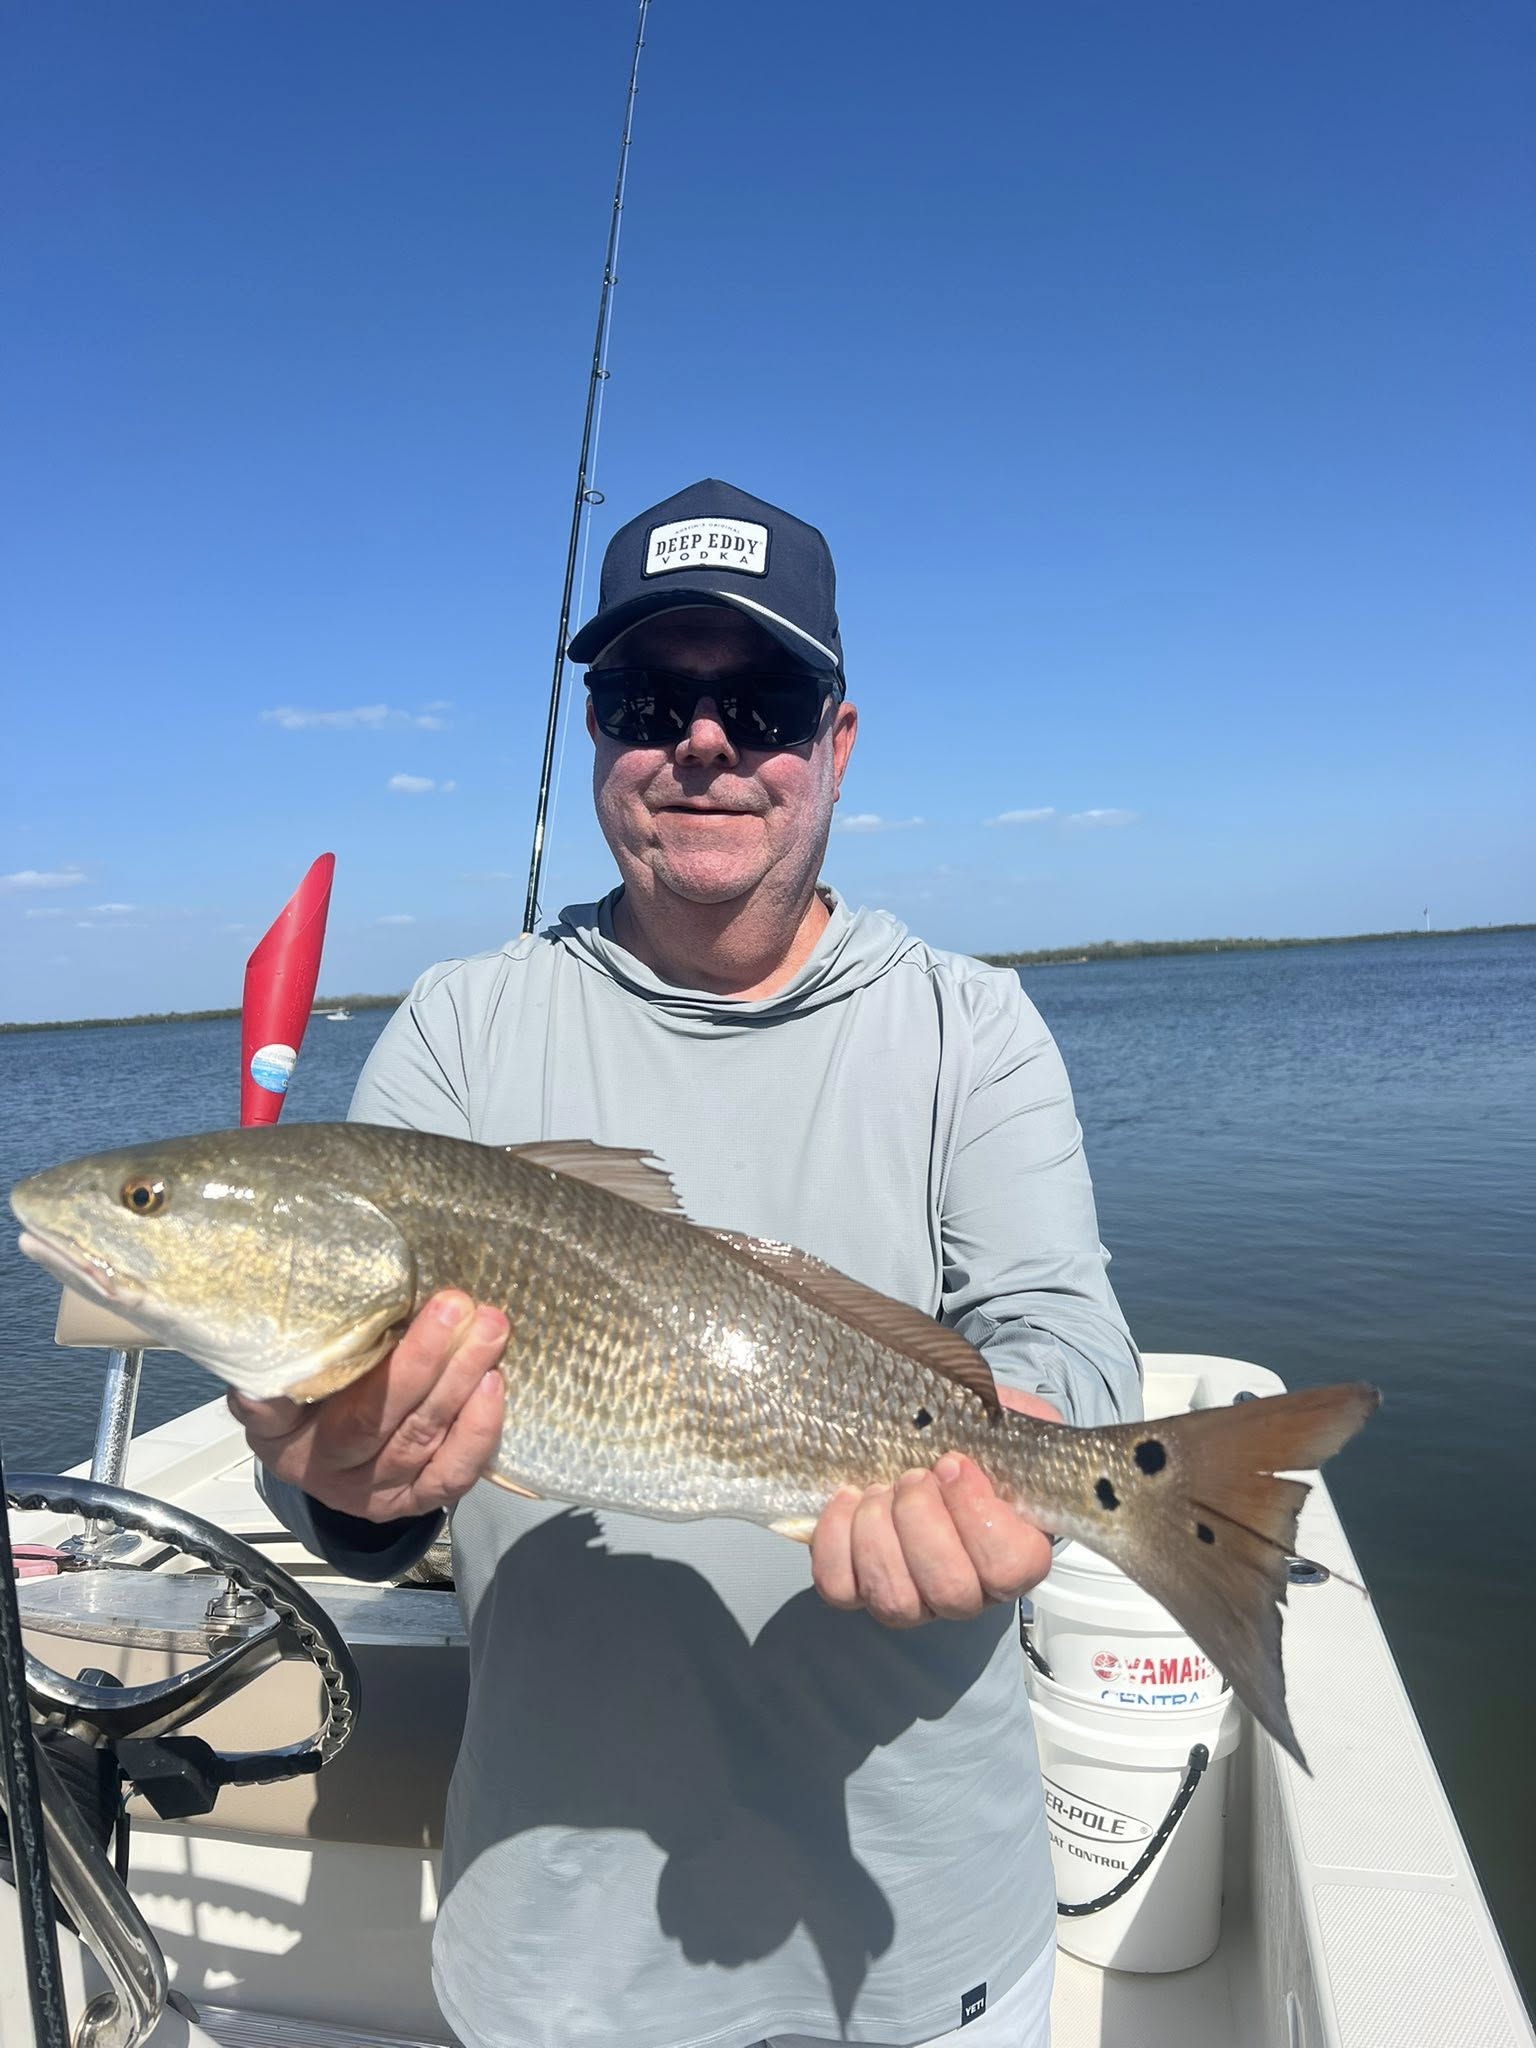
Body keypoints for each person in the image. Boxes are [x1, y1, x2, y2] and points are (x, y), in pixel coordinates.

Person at [238, 480, 1141, 2048]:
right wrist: (341, 1481)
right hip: (563, 1955)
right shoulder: (460, 1026)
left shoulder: (971, 1023)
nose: (705, 743)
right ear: (598, 735)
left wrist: (1023, 1454)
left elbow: (1066, 1331)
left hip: (920, 1935)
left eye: (763, 701)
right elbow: (361, 1471)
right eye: (649, 698)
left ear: (836, 741)